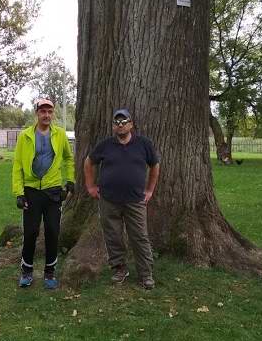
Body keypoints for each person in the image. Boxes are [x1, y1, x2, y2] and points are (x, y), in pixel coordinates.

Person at [84, 108, 160, 289]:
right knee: (113, 236)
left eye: (123, 122)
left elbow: (155, 165)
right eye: (116, 123)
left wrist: (149, 190)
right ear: (113, 126)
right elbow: (89, 162)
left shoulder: (144, 144)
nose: (120, 125)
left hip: (135, 201)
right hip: (109, 200)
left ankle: (145, 274)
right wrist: (90, 186)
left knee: (140, 237)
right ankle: (119, 269)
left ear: (131, 124)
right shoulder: (105, 145)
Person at [12, 97, 75, 289]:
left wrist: (70, 181)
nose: (46, 115)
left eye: (49, 112)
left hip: (53, 191)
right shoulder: (25, 136)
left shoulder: (60, 134)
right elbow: (17, 165)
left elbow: (68, 158)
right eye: (43, 111)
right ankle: (27, 271)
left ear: (52, 114)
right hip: (31, 191)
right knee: (30, 233)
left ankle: (49, 273)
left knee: (53, 232)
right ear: (37, 113)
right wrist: (19, 192)